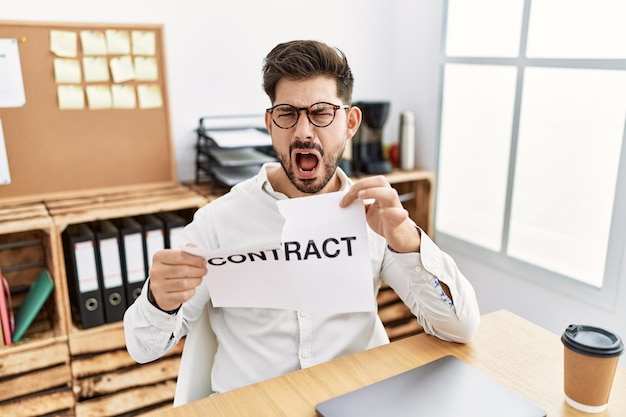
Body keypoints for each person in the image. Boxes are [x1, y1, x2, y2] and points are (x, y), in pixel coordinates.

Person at [124, 40, 480, 395]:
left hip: (350, 401)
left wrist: (407, 239)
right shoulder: (218, 221)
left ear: (350, 122)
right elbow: (143, 349)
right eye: (287, 114)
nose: (303, 132)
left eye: (322, 112)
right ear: (270, 123)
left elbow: (460, 328)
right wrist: (159, 299)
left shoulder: (376, 216)